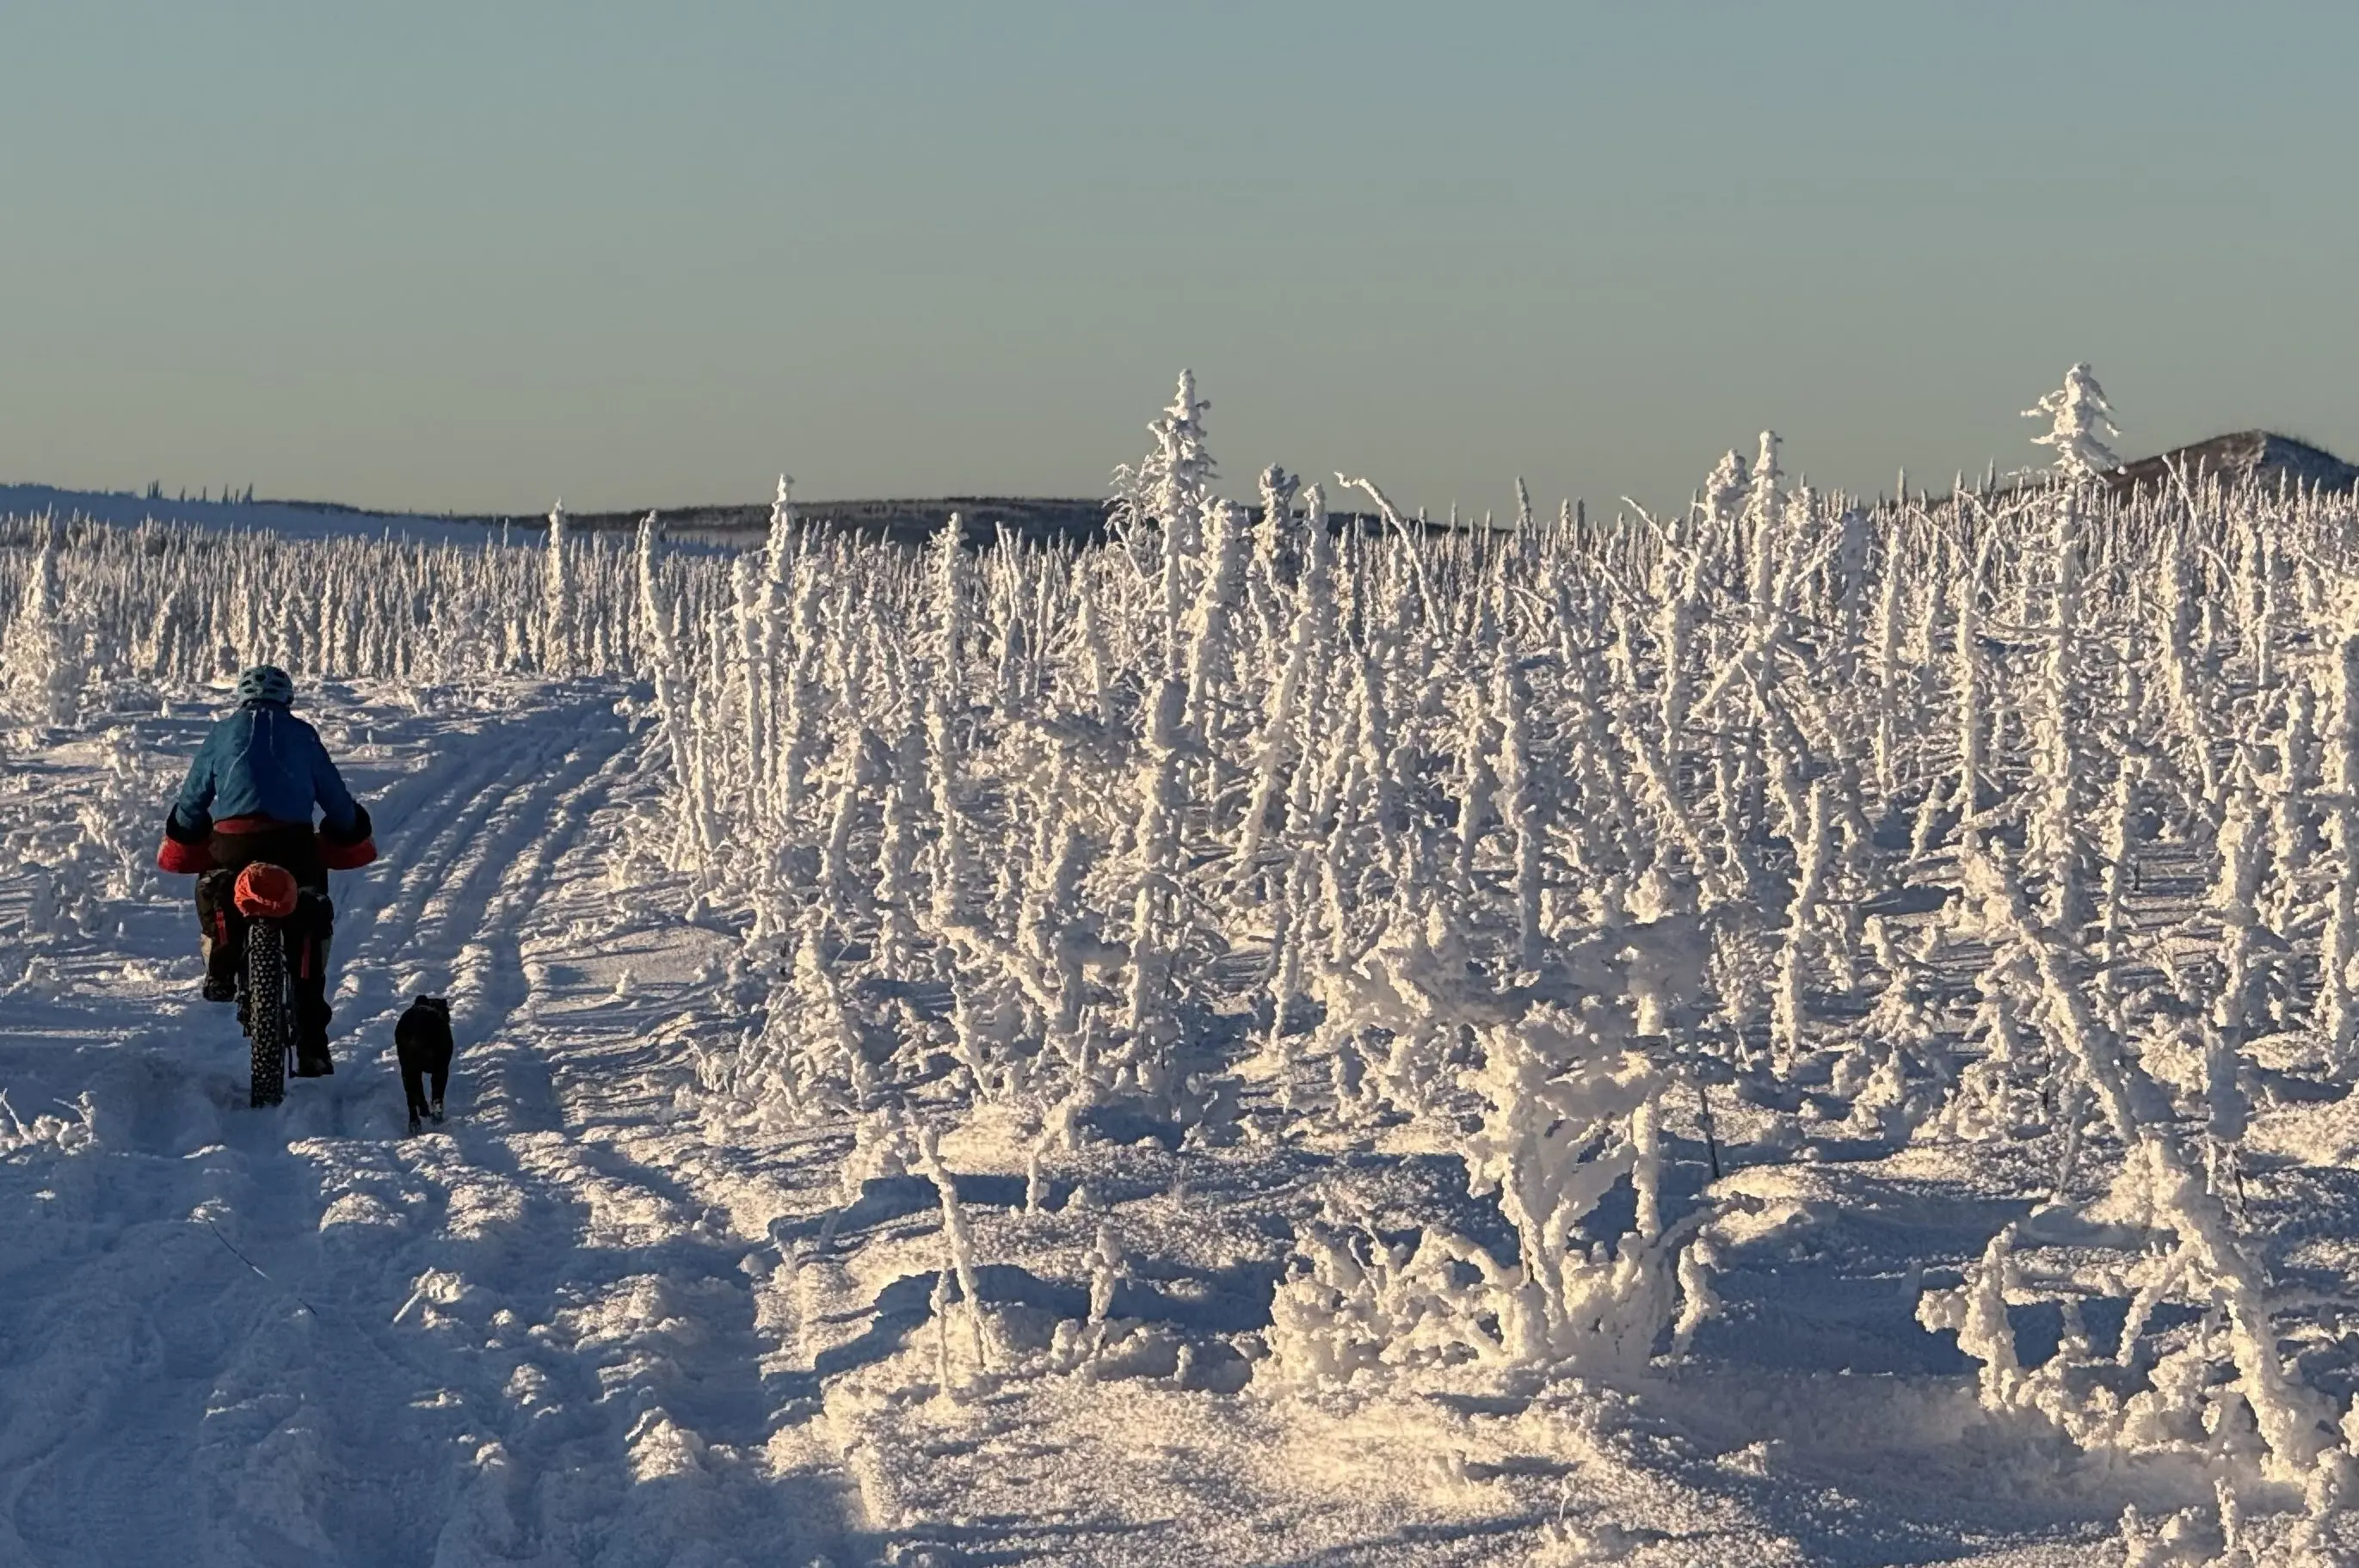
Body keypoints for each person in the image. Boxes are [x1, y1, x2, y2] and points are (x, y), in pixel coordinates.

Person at [156, 665, 376, 1078]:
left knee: (217, 885)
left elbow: (193, 799)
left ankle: (221, 965)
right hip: (294, 843)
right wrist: (349, 827)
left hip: (233, 842)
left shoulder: (221, 733)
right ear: (287, 700)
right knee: (310, 916)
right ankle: (313, 1043)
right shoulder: (303, 735)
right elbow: (335, 798)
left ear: (241, 697)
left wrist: (185, 829)